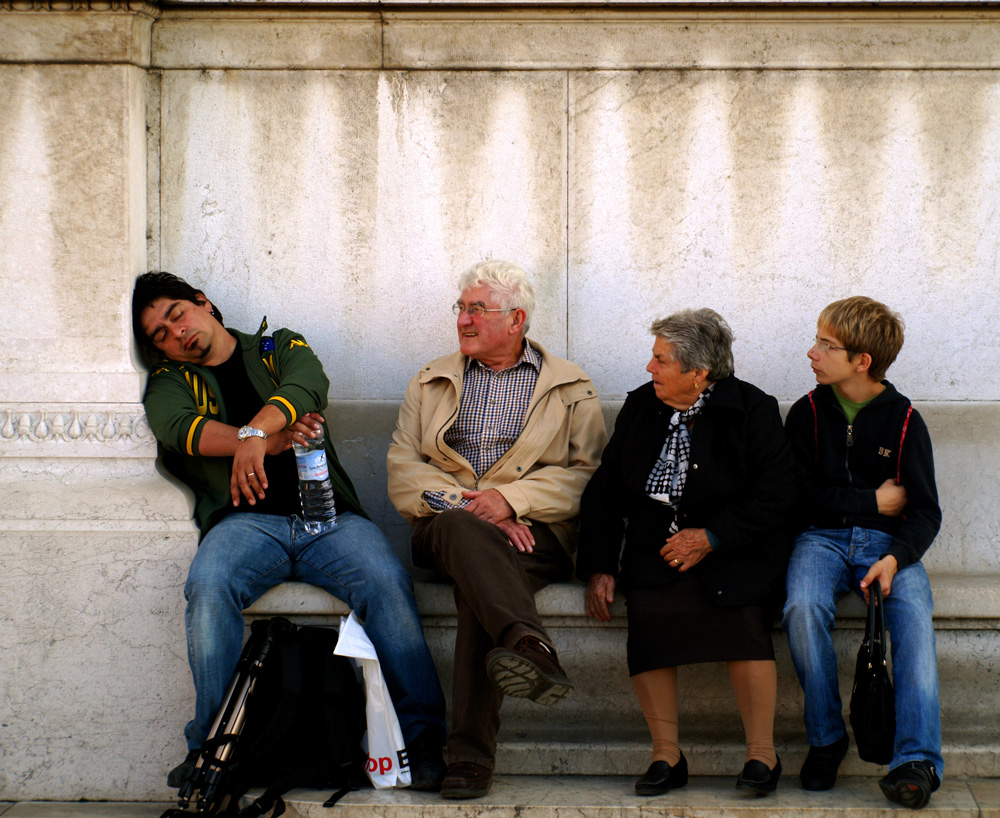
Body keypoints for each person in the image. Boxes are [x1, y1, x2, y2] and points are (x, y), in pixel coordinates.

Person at [131, 272, 447, 791]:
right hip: (244, 523)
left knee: (386, 581)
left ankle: (423, 742)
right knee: (209, 587)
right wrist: (260, 441)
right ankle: (212, 749)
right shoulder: (171, 380)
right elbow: (177, 428)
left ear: (203, 304)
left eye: (176, 315)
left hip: (330, 517)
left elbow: (307, 386)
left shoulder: (277, 345)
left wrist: (255, 434)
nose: (175, 334)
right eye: (159, 335)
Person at [386, 260, 607, 798]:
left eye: (476, 309)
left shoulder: (571, 387)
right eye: (460, 308)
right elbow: (402, 467)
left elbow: (590, 477)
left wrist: (512, 501)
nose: (463, 319)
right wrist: (474, 506)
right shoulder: (430, 380)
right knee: (467, 538)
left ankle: (469, 758)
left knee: (476, 591)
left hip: (537, 536)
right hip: (446, 527)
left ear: (516, 319)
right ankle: (526, 645)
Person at [577, 308, 795, 797]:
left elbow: (778, 494)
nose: (650, 368)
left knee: (744, 617)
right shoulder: (641, 407)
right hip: (657, 549)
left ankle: (762, 755)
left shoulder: (753, 409)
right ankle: (666, 756)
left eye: (660, 360)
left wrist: (711, 537)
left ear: (699, 372)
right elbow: (605, 492)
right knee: (649, 616)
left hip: (733, 547)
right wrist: (598, 566)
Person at [782, 296, 943, 809]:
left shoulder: (904, 422)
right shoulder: (806, 414)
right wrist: (870, 499)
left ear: (861, 361)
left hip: (889, 548)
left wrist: (895, 558)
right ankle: (827, 738)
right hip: (820, 538)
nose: (812, 352)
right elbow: (795, 497)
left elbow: (925, 512)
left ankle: (915, 760)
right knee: (802, 607)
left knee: (915, 620)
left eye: (826, 346)